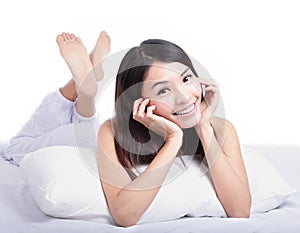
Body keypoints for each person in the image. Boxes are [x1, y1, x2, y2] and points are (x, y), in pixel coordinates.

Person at [97, 39, 251, 227]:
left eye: (186, 79)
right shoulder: (112, 133)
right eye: (164, 90)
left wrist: (203, 127)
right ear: (139, 102)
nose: (185, 98)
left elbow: (240, 211)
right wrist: (173, 140)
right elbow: (125, 215)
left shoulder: (222, 129)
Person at [0, 31, 111, 165]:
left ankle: (85, 90)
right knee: (15, 148)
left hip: (96, 136)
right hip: (96, 139)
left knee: (14, 148)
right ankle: (83, 85)